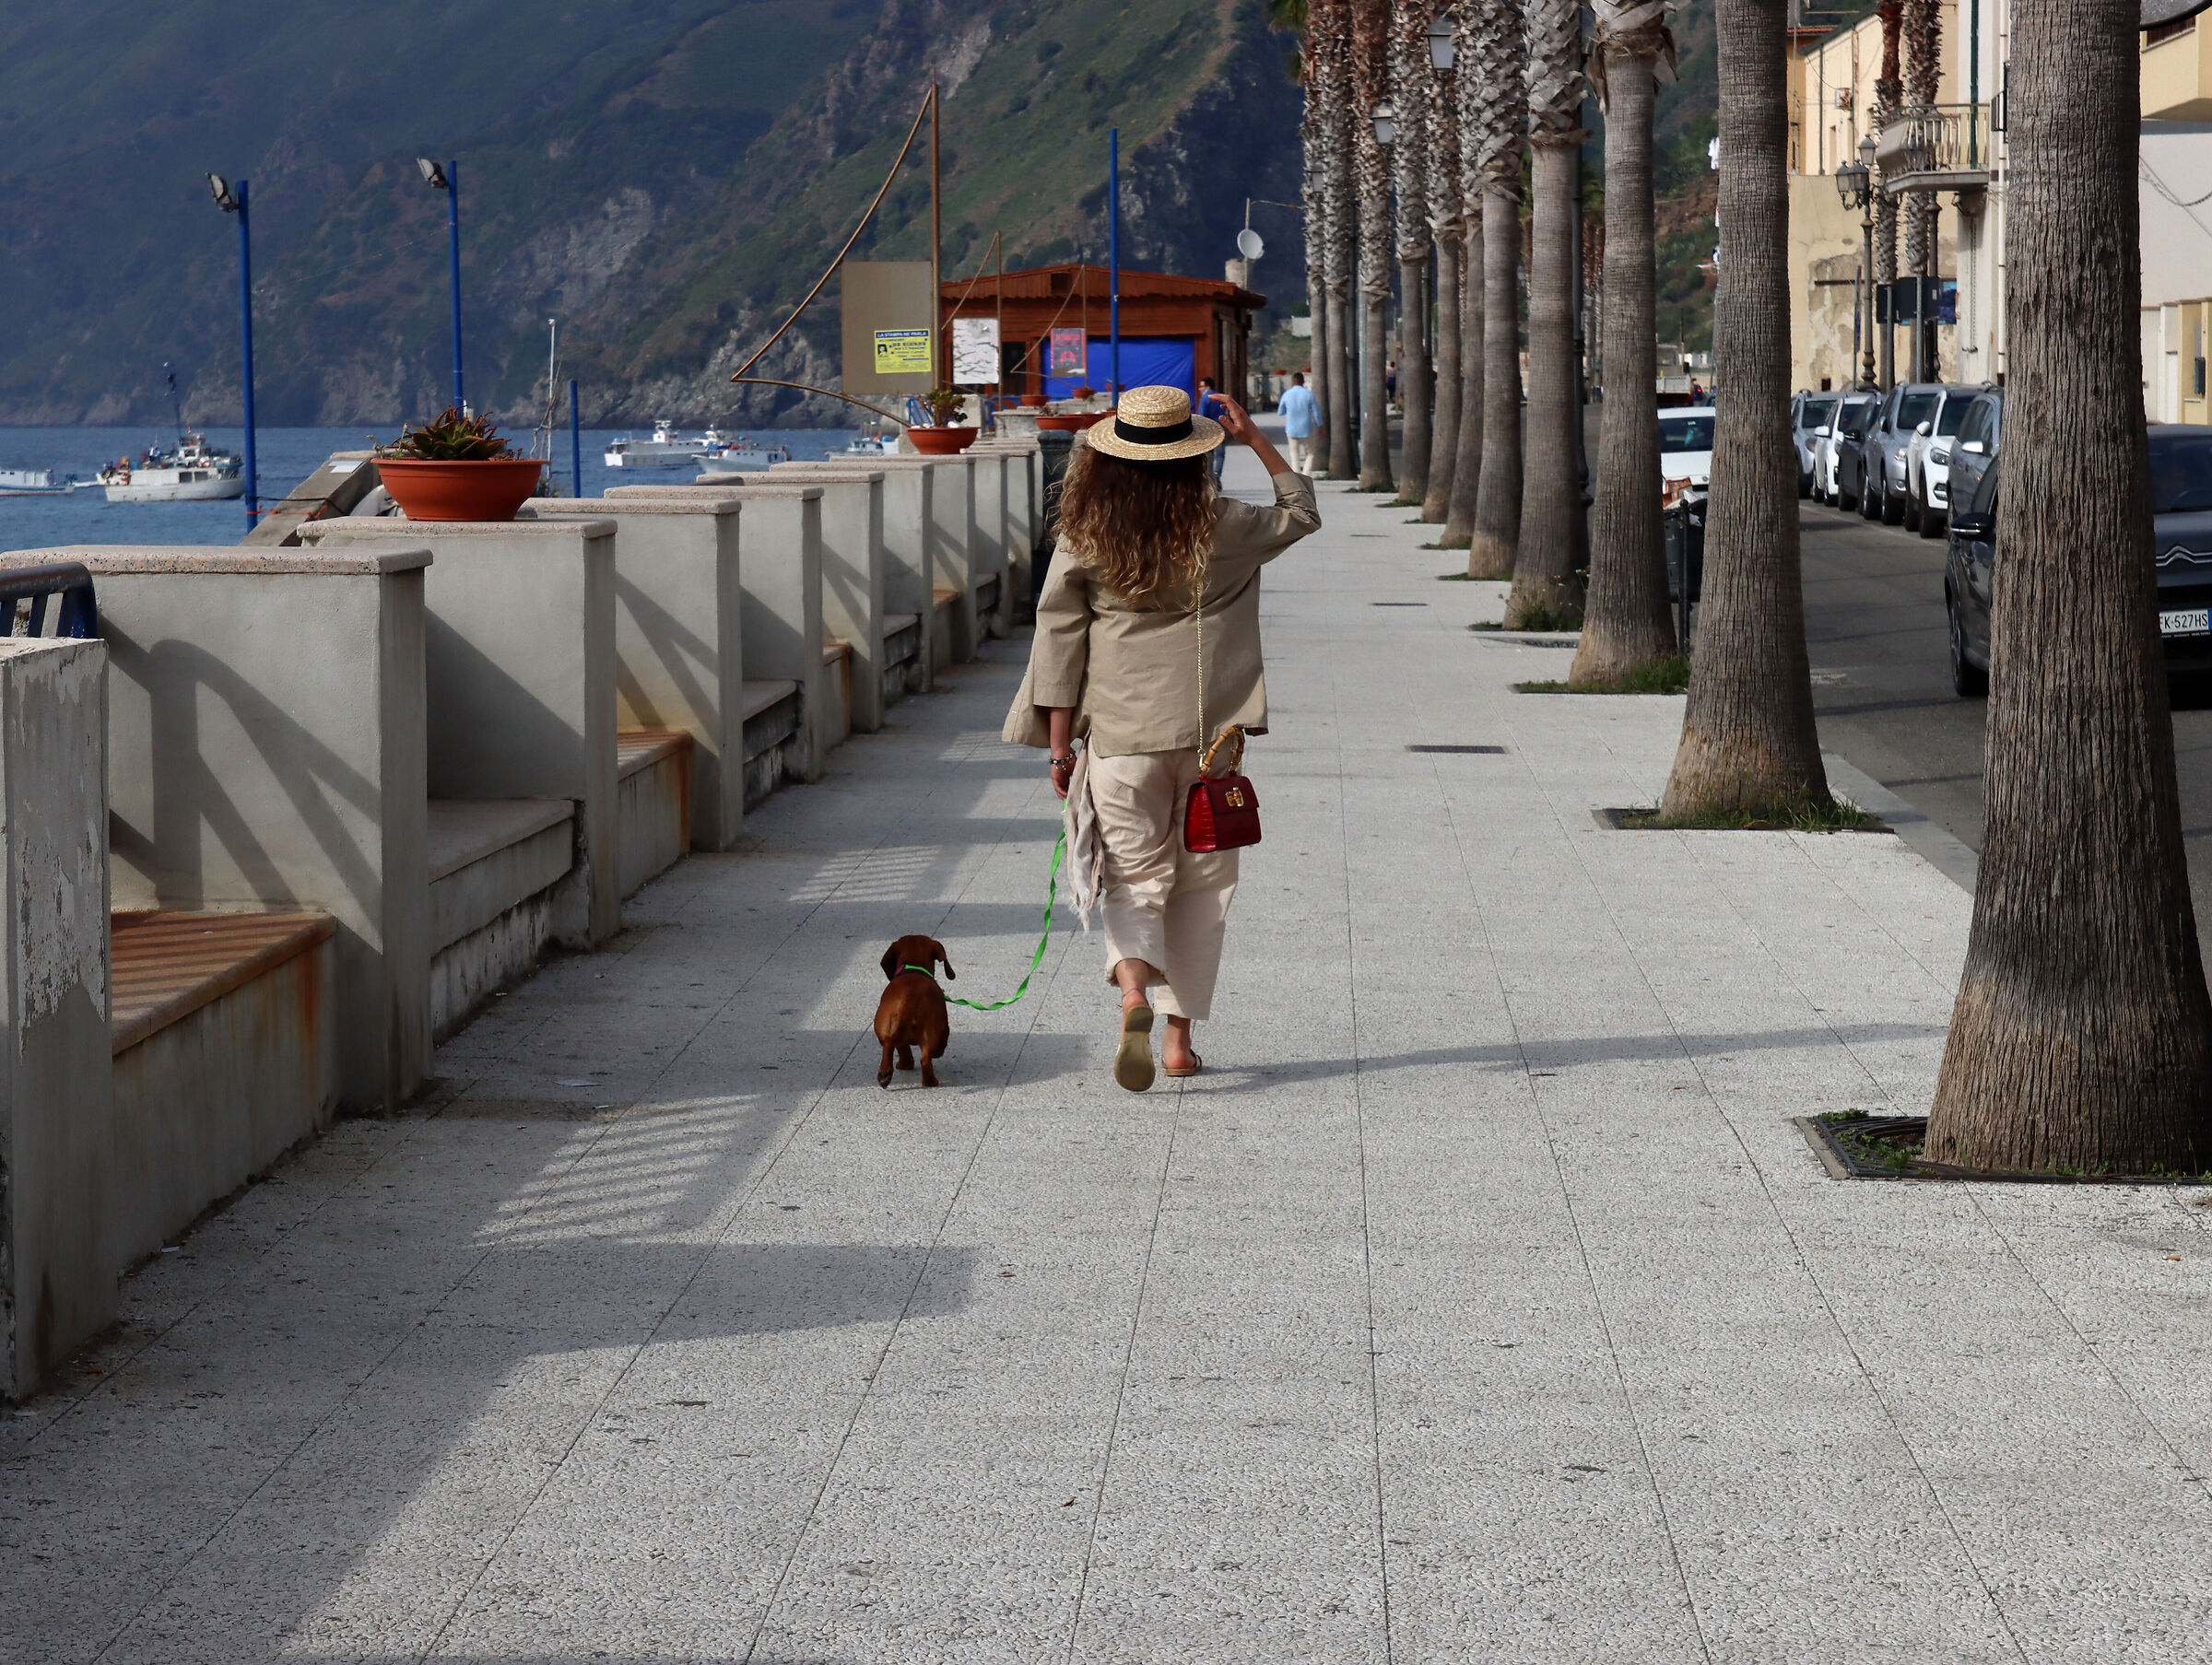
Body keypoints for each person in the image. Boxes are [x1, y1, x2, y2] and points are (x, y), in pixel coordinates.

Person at [1005, 385, 1321, 1091]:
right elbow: (1302, 512)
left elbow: (1058, 640)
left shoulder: (1088, 533)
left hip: (1121, 737)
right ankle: (1178, 1041)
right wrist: (1252, 438)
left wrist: (1060, 747)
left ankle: (1133, 996)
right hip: (1212, 743)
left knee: (1134, 881)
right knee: (1203, 889)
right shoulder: (1224, 524)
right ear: (1192, 456)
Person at [1277, 371, 1321, 475]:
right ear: (1303, 382)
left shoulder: (1286, 395)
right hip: (1306, 429)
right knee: (1310, 453)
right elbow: (1316, 412)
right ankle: (1306, 474)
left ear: (1293, 382)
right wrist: (1320, 425)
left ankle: (1297, 476)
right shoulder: (1309, 394)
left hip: (1291, 429)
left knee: (1294, 454)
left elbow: (1280, 412)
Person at [1195, 378, 1228, 481]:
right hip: (1220, 428)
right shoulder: (1220, 397)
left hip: (1209, 430)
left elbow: (1202, 416)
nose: (1199, 389)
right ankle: (1217, 473)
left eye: (1201, 386)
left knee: (1208, 456)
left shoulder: (1205, 398)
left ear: (1208, 387)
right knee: (1220, 455)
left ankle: (1211, 478)